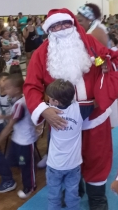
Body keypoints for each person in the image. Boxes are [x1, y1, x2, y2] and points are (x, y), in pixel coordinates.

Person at [24, 8, 118, 210]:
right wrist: (44, 110)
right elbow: (31, 87)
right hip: (60, 120)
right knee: (65, 161)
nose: (61, 29)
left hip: (94, 117)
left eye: (65, 24)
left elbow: (110, 57)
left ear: (73, 24)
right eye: (55, 26)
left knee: (97, 159)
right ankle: (74, 191)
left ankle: (97, 200)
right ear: (49, 29)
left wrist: (106, 64)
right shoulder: (41, 54)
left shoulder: (88, 42)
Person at [0, 74, 37, 198]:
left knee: (26, 165)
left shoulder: (20, 103)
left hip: (25, 142)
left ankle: (30, 187)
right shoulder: (16, 101)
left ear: (17, 89)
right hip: (17, 139)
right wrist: (4, 117)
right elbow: (15, 116)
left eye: (8, 87)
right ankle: (16, 176)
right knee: (12, 160)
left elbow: (9, 126)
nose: (5, 90)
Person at [42, 79, 83, 209]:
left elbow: (37, 110)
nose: (48, 101)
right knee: (73, 196)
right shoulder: (80, 108)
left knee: (54, 197)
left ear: (56, 102)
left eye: (50, 98)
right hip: (73, 164)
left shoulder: (50, 111)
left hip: (55, 165)